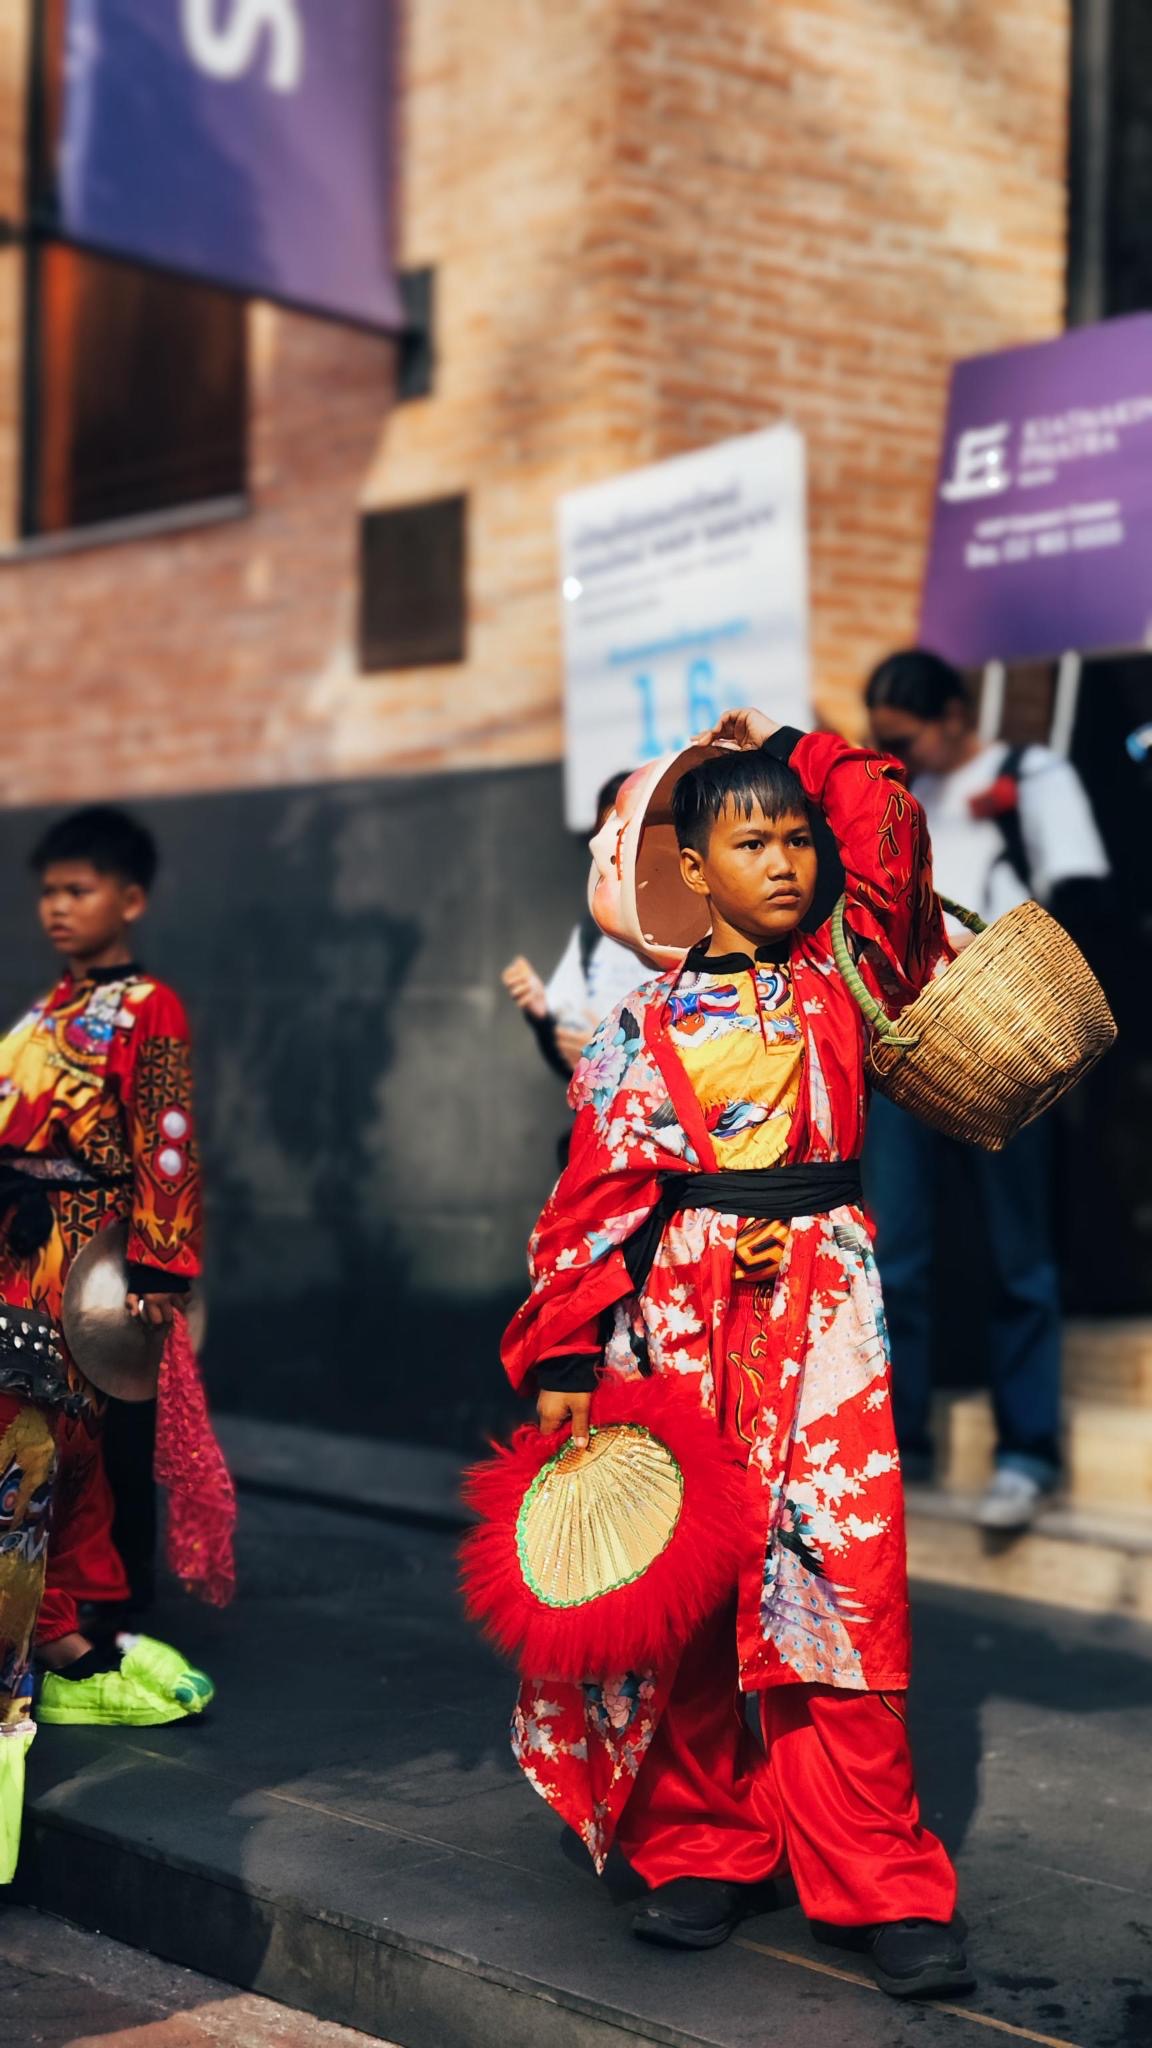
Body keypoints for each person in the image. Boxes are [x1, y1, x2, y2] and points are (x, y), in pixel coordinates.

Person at [499, 709, 972, 2000]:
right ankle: (704, 1845)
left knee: (848, 1600)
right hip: (682, 1330)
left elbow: (890, 839)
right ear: (689, 872)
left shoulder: (844, 981)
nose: (785, 861)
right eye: (746, 839)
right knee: (693, 1597)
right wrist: (567, 1361)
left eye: (795, 839)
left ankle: (882, 1875)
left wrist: (797, 745)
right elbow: (588, 1208)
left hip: (827, 1329)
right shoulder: (634, 1034)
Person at [0, 806, 233, 1881]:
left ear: (129, 899)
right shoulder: (47, 1006)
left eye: (80, 888)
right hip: (15, 1247)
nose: (58, 906)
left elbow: (170, 1136)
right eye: (49, 888)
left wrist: (160, 1264)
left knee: (59, 1452)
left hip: (85, 1261)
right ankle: (57, 1631)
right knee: (39, 1452)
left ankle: (61, 1634)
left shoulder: (150, 1005)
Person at [864, 650, 1110, 1529]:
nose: (900, 752)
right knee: (894, 1255)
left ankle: (1027, 1450)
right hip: (910, 1044)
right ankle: (903, 1443)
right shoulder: (905, 795)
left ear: (955, 712)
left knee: (1019, 1254)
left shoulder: (1028, 773)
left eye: (906, 735)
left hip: (1004, 1033)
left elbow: (1078, 890)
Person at [503, 773, 654, 1080]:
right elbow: (569, 1062)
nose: (616, 853)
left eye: (631, 836)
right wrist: (542, 1014)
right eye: (608, 838)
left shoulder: (698, 935)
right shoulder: (593, 934)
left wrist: (609, 1057)